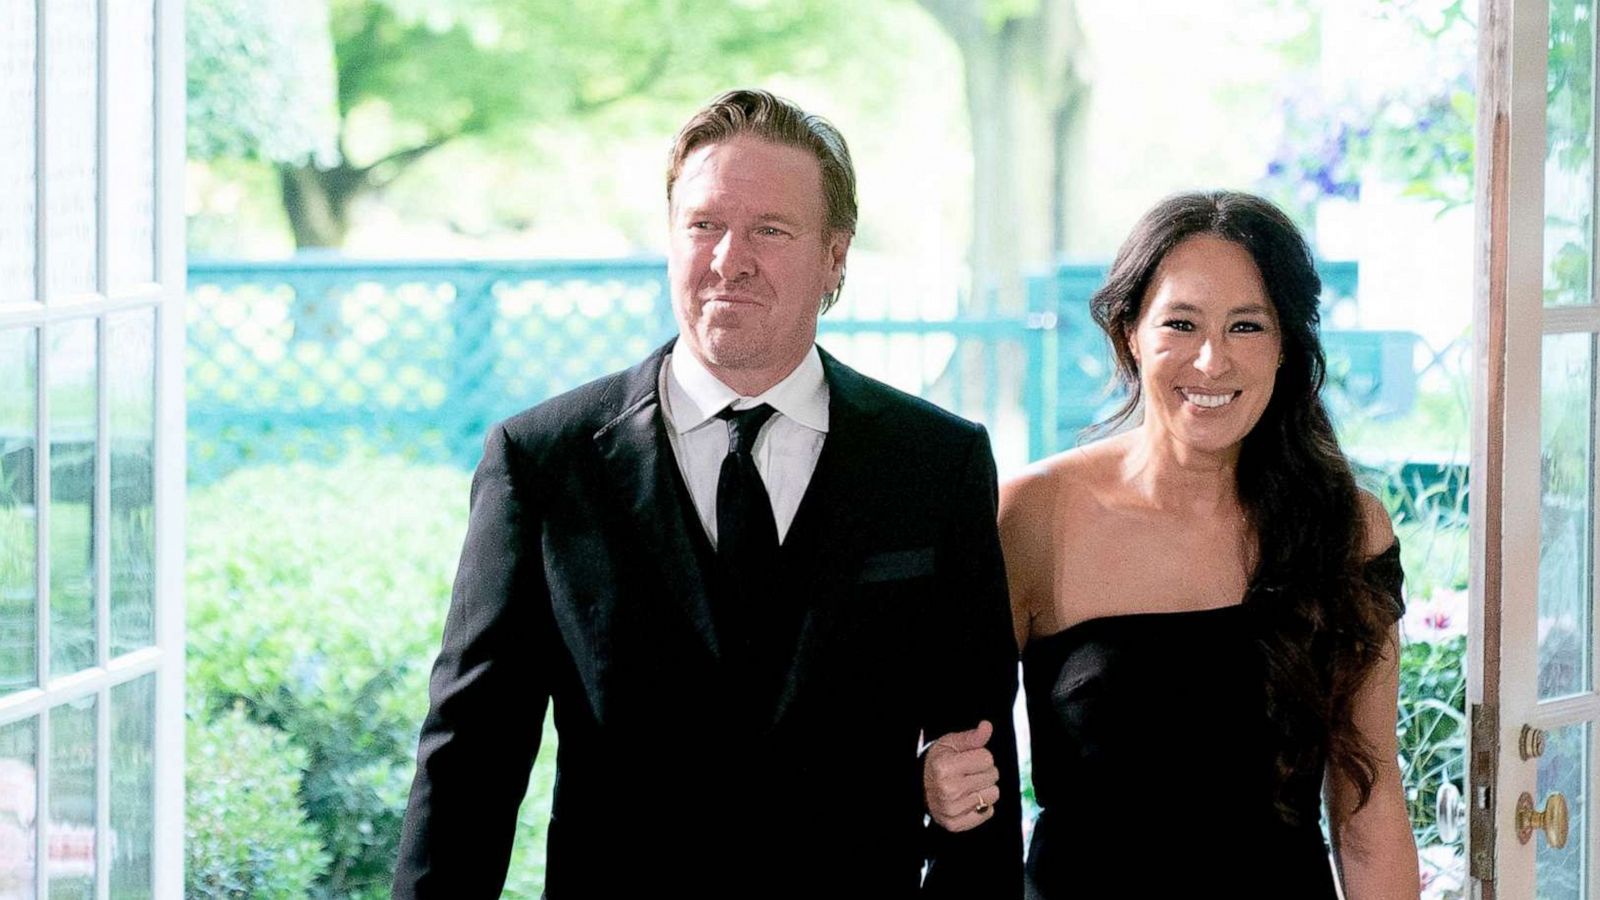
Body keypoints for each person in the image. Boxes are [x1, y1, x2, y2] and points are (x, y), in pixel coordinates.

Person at [393, 88, 1022, 899]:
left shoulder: (938, 463)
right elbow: (470, 758)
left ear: (835, 254)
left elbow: (977, 761)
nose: (731, 259)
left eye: (771, 229)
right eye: (704, 225)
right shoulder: (543, 461)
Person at [923, 191, 1420, 898]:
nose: (1211, 361)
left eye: (1246, 326)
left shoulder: (1348, 529)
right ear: (1130, 331)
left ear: (1286, 344)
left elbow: (1368, 808)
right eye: (1180, 323)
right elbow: (946, 747)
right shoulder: (1033, 515)